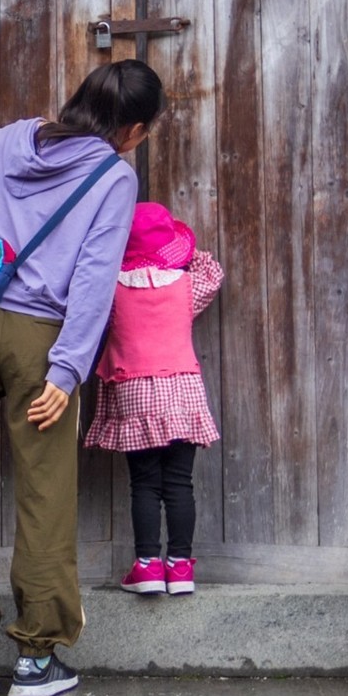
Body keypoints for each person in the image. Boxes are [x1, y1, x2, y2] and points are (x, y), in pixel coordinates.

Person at [0, 59, 165, 696]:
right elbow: (95, 276)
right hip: (38, 338)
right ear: (132, 129)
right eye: (146, 130)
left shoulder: (6, 139)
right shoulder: (114, 176)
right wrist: (69, 366)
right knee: (44, 494)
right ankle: (35, 661)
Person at [83, 201, 223, 595]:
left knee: (144, 483)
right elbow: (211, 271)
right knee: (180, 482)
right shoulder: (186, 287)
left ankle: (146, 566)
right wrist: (180, 251)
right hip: (183, 389)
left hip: (134, 388)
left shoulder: (113, 291)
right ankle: (179, 567)